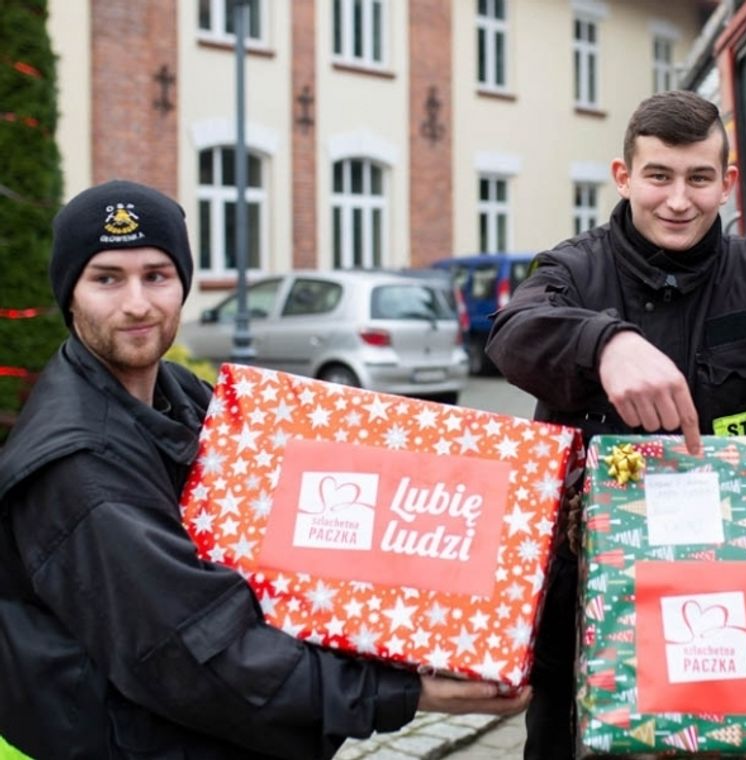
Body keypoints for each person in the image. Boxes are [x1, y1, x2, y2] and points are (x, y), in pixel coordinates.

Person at [0, 180, 527, 759]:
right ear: (69, 294)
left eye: (156, 275)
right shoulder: (79, 468)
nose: (137, 303)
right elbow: (199, 655)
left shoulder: (183, 395)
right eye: (107, 278)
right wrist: (406, 692)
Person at [485, 90, 746, 759]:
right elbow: (514, 332)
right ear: (624, 178)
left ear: (727, 183)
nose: (678, 200)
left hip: (733, 594)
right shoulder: (574, 268)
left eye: (698, 178)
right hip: (592, 592)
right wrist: (604, 344)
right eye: (658, 176)